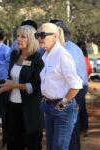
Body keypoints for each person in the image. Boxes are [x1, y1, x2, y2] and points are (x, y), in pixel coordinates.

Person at [0, 25, 44, 150]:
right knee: (13, 144)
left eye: (23, 37)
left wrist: (16, 86)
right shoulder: (14, 55)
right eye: (18, 36)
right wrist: (7, 85)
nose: (19, 39)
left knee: (32, 145)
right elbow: (12, 76)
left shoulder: (37, 59)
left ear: (31, 39)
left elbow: (39, 85)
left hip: (30, 110)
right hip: (12, 107)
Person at [38, 23, 83, 150]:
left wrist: (62, 104)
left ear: (55, 36)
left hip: (63, 108)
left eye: (43, 35)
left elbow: (76, 85)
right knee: (52, 146)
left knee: (59, 147)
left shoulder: (62, 55)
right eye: (37, 35)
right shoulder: (46, 55)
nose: (39, 38)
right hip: (49, 106)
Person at [50, 19, 88, 150]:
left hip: (73, 92)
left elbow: (73, 81)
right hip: (76, 90)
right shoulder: (70, 47)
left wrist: (62, 103)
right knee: (70, 126)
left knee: (69, 127)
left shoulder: (65, 50)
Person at [77, 41, 92, 136]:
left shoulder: (80, 58)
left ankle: (79, 129)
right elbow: (90, 70)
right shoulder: (85, 58)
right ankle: (84, 128)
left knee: (77, 108)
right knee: (82, 108)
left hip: (79, 86)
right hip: (83, 85)